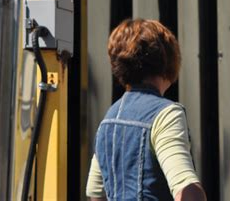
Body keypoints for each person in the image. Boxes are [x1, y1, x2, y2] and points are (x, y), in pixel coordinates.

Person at [86, 18, 207, 201]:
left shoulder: (107, 121)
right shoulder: (166, 115)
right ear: (168, 60)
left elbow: (94, 193)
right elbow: (187, 191)